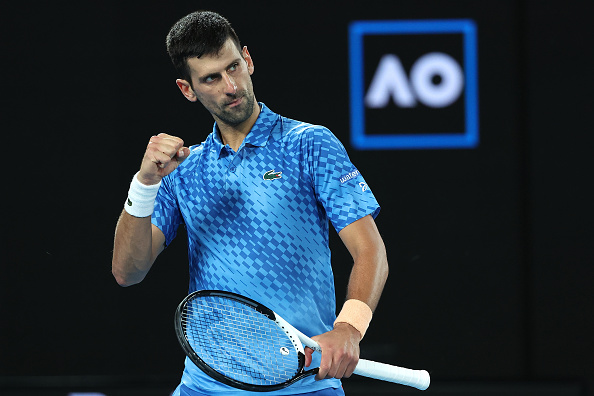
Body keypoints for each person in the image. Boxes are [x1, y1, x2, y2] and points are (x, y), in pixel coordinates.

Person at [112, 10, 388, 396]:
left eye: (234, 67)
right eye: (211, 77)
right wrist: (144, 184)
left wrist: (348, 329)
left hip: (305, 386)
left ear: (248, 60)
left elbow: (370, 250)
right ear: (187, 89)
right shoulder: (181, 171)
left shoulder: (310, 144)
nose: (231, 85)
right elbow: (128, 271)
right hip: (204, 387)